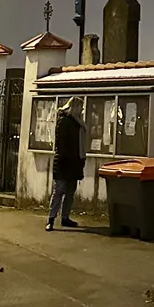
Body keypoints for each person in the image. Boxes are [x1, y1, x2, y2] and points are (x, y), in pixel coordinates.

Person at [47, 98, 86, 230]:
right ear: (74, 107)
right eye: (80, 107)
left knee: (70, 192)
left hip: (74, 162)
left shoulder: (78, 123)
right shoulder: (64, 122)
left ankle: (65, 217)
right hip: (64, 163)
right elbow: (61, 144)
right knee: (59, 191)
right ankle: (51, 219)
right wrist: (64, 159)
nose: (82, 110)